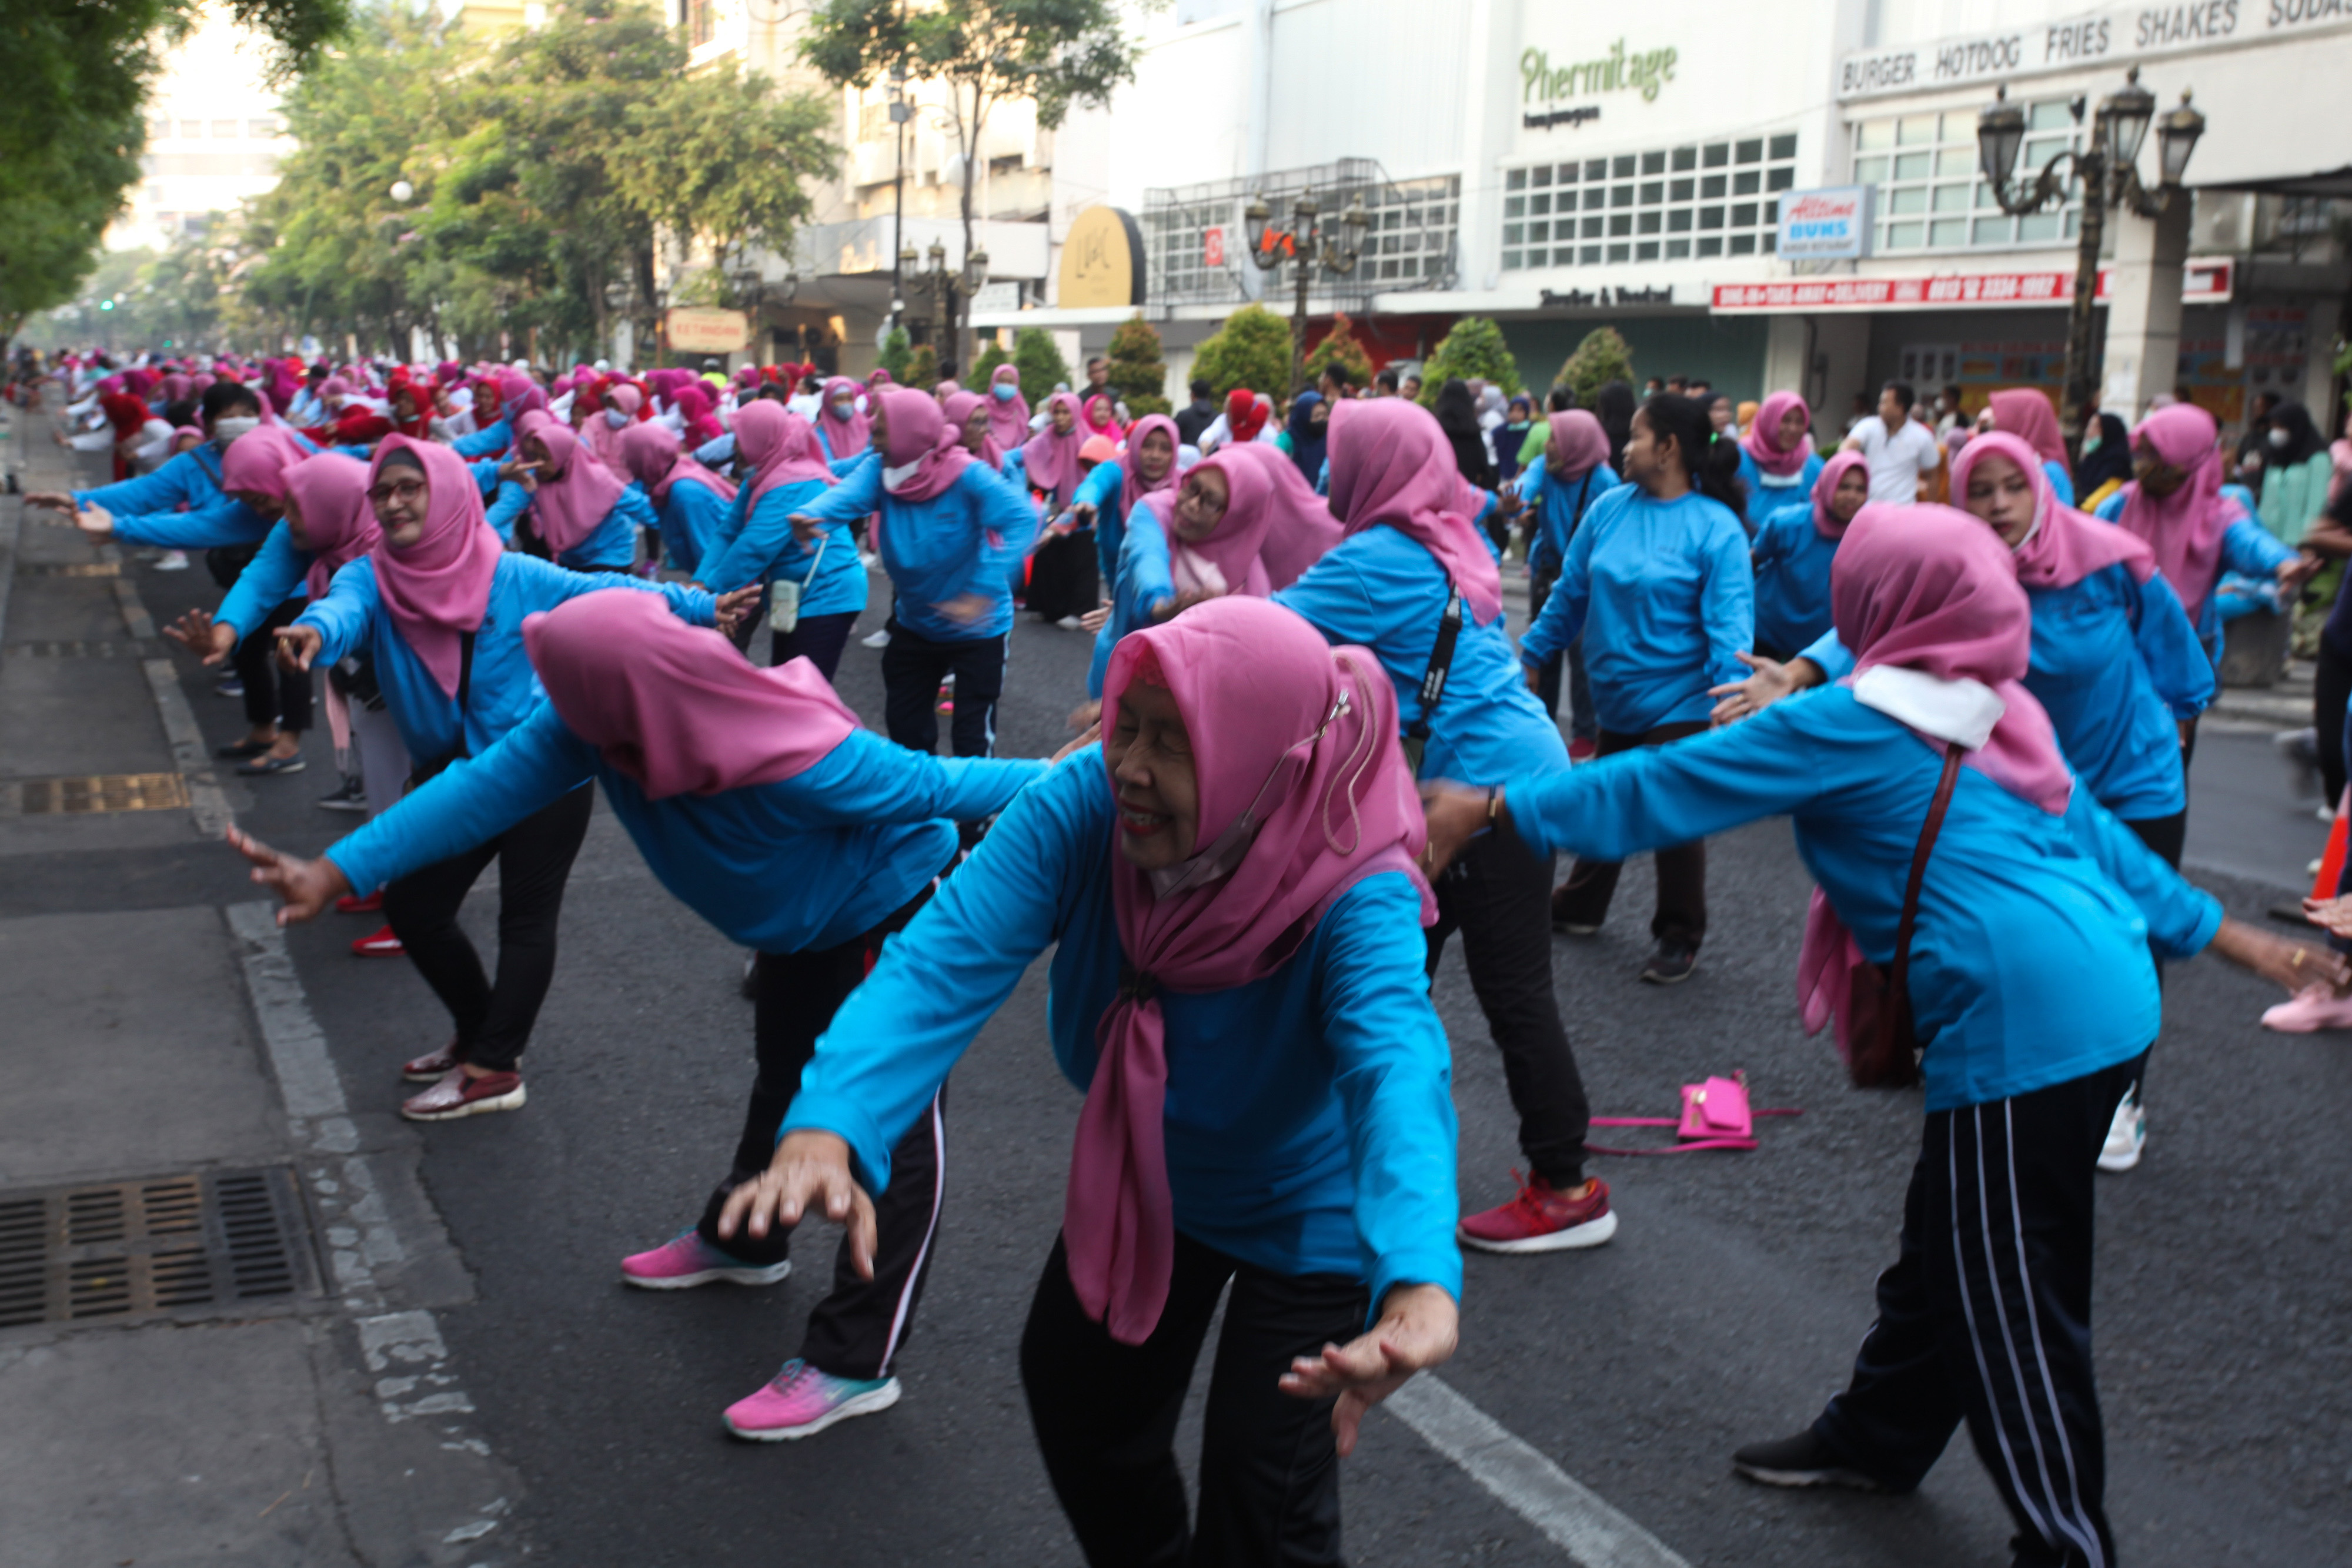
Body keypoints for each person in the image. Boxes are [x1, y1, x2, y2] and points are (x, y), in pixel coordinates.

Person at [1425, 504, 2334, 1568]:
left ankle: (2067, 1542)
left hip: (2025, 1017)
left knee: (2010, 1298)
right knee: (1949, 1242)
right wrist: (2227, 937)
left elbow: (1660, 787)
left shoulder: (1853, 719)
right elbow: (2100, 843)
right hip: (2098, 998)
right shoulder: (1988, 705)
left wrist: (1492, 807)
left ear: (1879, 604)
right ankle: (1880, 1434)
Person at [720, 595, 1462, 1562]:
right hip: (1153, 1163)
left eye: (1175, 740)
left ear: (1258, 753)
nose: (1132, 766)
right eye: (1128, 724)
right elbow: (944, 955)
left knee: (1263, 1498)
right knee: (1076, 1393)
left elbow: (1395, 1062)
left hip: (1309, 1201)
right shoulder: (1085, 806)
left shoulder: (1351, 880)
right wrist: (829, 1120)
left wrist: (1417, 1273)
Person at [234, 589, 1045, 1440]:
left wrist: (1078, 774)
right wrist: (335, 870)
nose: (565, 720)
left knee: (894, 1131)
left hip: (885, 912)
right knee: (784, 1082)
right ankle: (749, 1237)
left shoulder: (794, 748)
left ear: (639, 698)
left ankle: (855, 1358)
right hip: (801, 925)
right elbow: (473, 793)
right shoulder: (595, 720)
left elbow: (943, 782)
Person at [272, 436, 750, 1121]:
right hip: (449, 774)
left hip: (538, 770)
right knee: (414, 906)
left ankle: (494, 1066)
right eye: (383, 492)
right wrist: (315, 632)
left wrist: (704, 608)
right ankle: (477, 1032)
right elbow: (340, 612)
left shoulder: (512, 573)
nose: (395, 502)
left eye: (411, 487)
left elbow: (607, 593)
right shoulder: (370, 576)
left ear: (446, 492)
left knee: (525, 918)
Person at [1272, 397, 1610, 1254]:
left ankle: (1567, 1183)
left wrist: (1165, 631)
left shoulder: (1378, 556)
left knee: (1500, 989)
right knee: (1391, 969)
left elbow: (1264, 636)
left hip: (1482, 798)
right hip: (1490, 778)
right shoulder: (1443, 537)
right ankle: (1357, 1147)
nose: (1332, 469)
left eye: (1345, 456)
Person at [1519, 393, 1752, 981]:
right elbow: (1570, 593)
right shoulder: (1608, 510)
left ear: (1668, 449)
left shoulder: (1715, 528)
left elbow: (1729, 626)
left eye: (1636, 437)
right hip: (1616, 696)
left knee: (1671, 808)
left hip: (1681, 698)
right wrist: (1533, 652)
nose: (1623, 447)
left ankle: (1679, 933)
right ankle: (1581, 906)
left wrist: (1732, 699)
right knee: (1609, 794)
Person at [790, 387, 1035, 758]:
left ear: (912, 433)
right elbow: (846, 494)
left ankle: (975, 817)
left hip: (979, 628)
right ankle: (922, 813)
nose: (873, 440)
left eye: (881, 432)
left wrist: (981, 590)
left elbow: (1023, 519)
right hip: (916, 625)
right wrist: (813, 513)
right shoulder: (881, 470)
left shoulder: (967, 474)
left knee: (971, 737)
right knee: (907, 732)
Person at [694, 403, 867, 679]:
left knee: (803, 695)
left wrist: (702, 600)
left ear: (761, 438)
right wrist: (701, 583)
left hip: (826, 595)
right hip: (794, 594)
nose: (734, 447)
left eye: (740, 438)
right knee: (786, 683)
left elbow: (752, 551)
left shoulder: (792, 482)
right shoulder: (764, 475)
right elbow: (728, 532)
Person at [1514, 409, 1619, 754]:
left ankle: (1585, 732)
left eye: (1555, 438)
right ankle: (1540, 727)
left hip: (1585, 578)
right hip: (1548, 570)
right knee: (1544, 652)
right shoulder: (1546, 468)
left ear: (1577, 442)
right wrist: (1515, 503)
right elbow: (1524, 488)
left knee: (1581, 654)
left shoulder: (1604, 481)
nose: (1548, 445)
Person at [1749, 450, 1867, 661]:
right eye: (1844, 487)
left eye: (1860, 489)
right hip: (1767, 636)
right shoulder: (1788, 523)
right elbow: (1752, 561)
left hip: (1820, 650)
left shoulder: (1866, 536)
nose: (1852, 496)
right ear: (1828, 485)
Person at [489, 424, 653, 573]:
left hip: (611, 553)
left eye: (546, 458)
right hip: (571, 555)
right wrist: (477, 532)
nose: (539, 464)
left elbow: (641, 507)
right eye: (536, 456)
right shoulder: (536, 478)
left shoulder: (598, 479)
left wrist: (673, 518)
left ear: (563, 457)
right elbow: (507, 507)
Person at [617, 422, 734, 580]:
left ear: (645, 456)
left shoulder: (684, 492)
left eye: (629, 454)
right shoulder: (674, 475)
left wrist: (706, 599)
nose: (625, 462)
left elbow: (710, 560)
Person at [1735, 390, 1824, 533]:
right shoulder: (1738, 458)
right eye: (1786, 420)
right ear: (1768, 420)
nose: (1793, 429)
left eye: (1800, 422)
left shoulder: (1814, 466)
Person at [1842, 381, 1940, 505]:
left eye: (1884, 403)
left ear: (1900, 408)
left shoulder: (1922, 436)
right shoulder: (1869, 425)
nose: (1879, 408)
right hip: (1867, 508)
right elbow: (1847, 448)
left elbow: (1933, 476)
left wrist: (1929, 509)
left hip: (1902, 511)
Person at [1980, 387, 2077, 506]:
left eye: (1990, 427)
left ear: (2017, 425)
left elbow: (2060, 521)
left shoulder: (2050, 473)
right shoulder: (1998, 465)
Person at [2257, 400, 2333, 544]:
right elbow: (2265, 500)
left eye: (2281, 426)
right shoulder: (2275, 456)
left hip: (2297, 542)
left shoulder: (2318, 458)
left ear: (2296, 427)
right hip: (2268, 539)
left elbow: (2317, 506)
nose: (2275, 432)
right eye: (2273, 427)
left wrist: (2306, 541)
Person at [1432, 379, 1495, 491]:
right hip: (1466, 490)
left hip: (1439, 488)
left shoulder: (1435, 428)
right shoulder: (1473, 430)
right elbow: (1482, 468)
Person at [2072, 410, 2134, 510]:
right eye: (2089, 426)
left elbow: (2095, 500)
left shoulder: (2117, 461)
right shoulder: (2094, 457)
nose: (2089, 432)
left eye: (2095, 426)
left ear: (2108, 431)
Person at [1279, 389, 1328, 484]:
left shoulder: (1328, 437)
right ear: (1304, 417)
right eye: (1317, 416)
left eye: (1325, 415)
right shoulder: (1288, 438)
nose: (1322, 420)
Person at [1171, 377, 1217, 447]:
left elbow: (1172, 438)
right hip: (1213, 457)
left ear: (1192, 395)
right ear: (1208, 396)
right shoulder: (1219, 418)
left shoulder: (1183, 416)